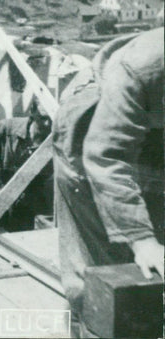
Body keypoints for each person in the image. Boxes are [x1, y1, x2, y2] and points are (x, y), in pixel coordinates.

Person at [53, 28, 163, 333]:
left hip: (155, 131)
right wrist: (142, 239)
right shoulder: (144, 63)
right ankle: (87, 322)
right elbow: (106, 157)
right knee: (104, 272)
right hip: (92, 128)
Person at [0, 100, 53, 228]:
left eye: (52, 119)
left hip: (26, 207)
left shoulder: (56, 140)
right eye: (43, 118)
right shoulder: (4, 128)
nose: (48, 124)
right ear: (32, 111)